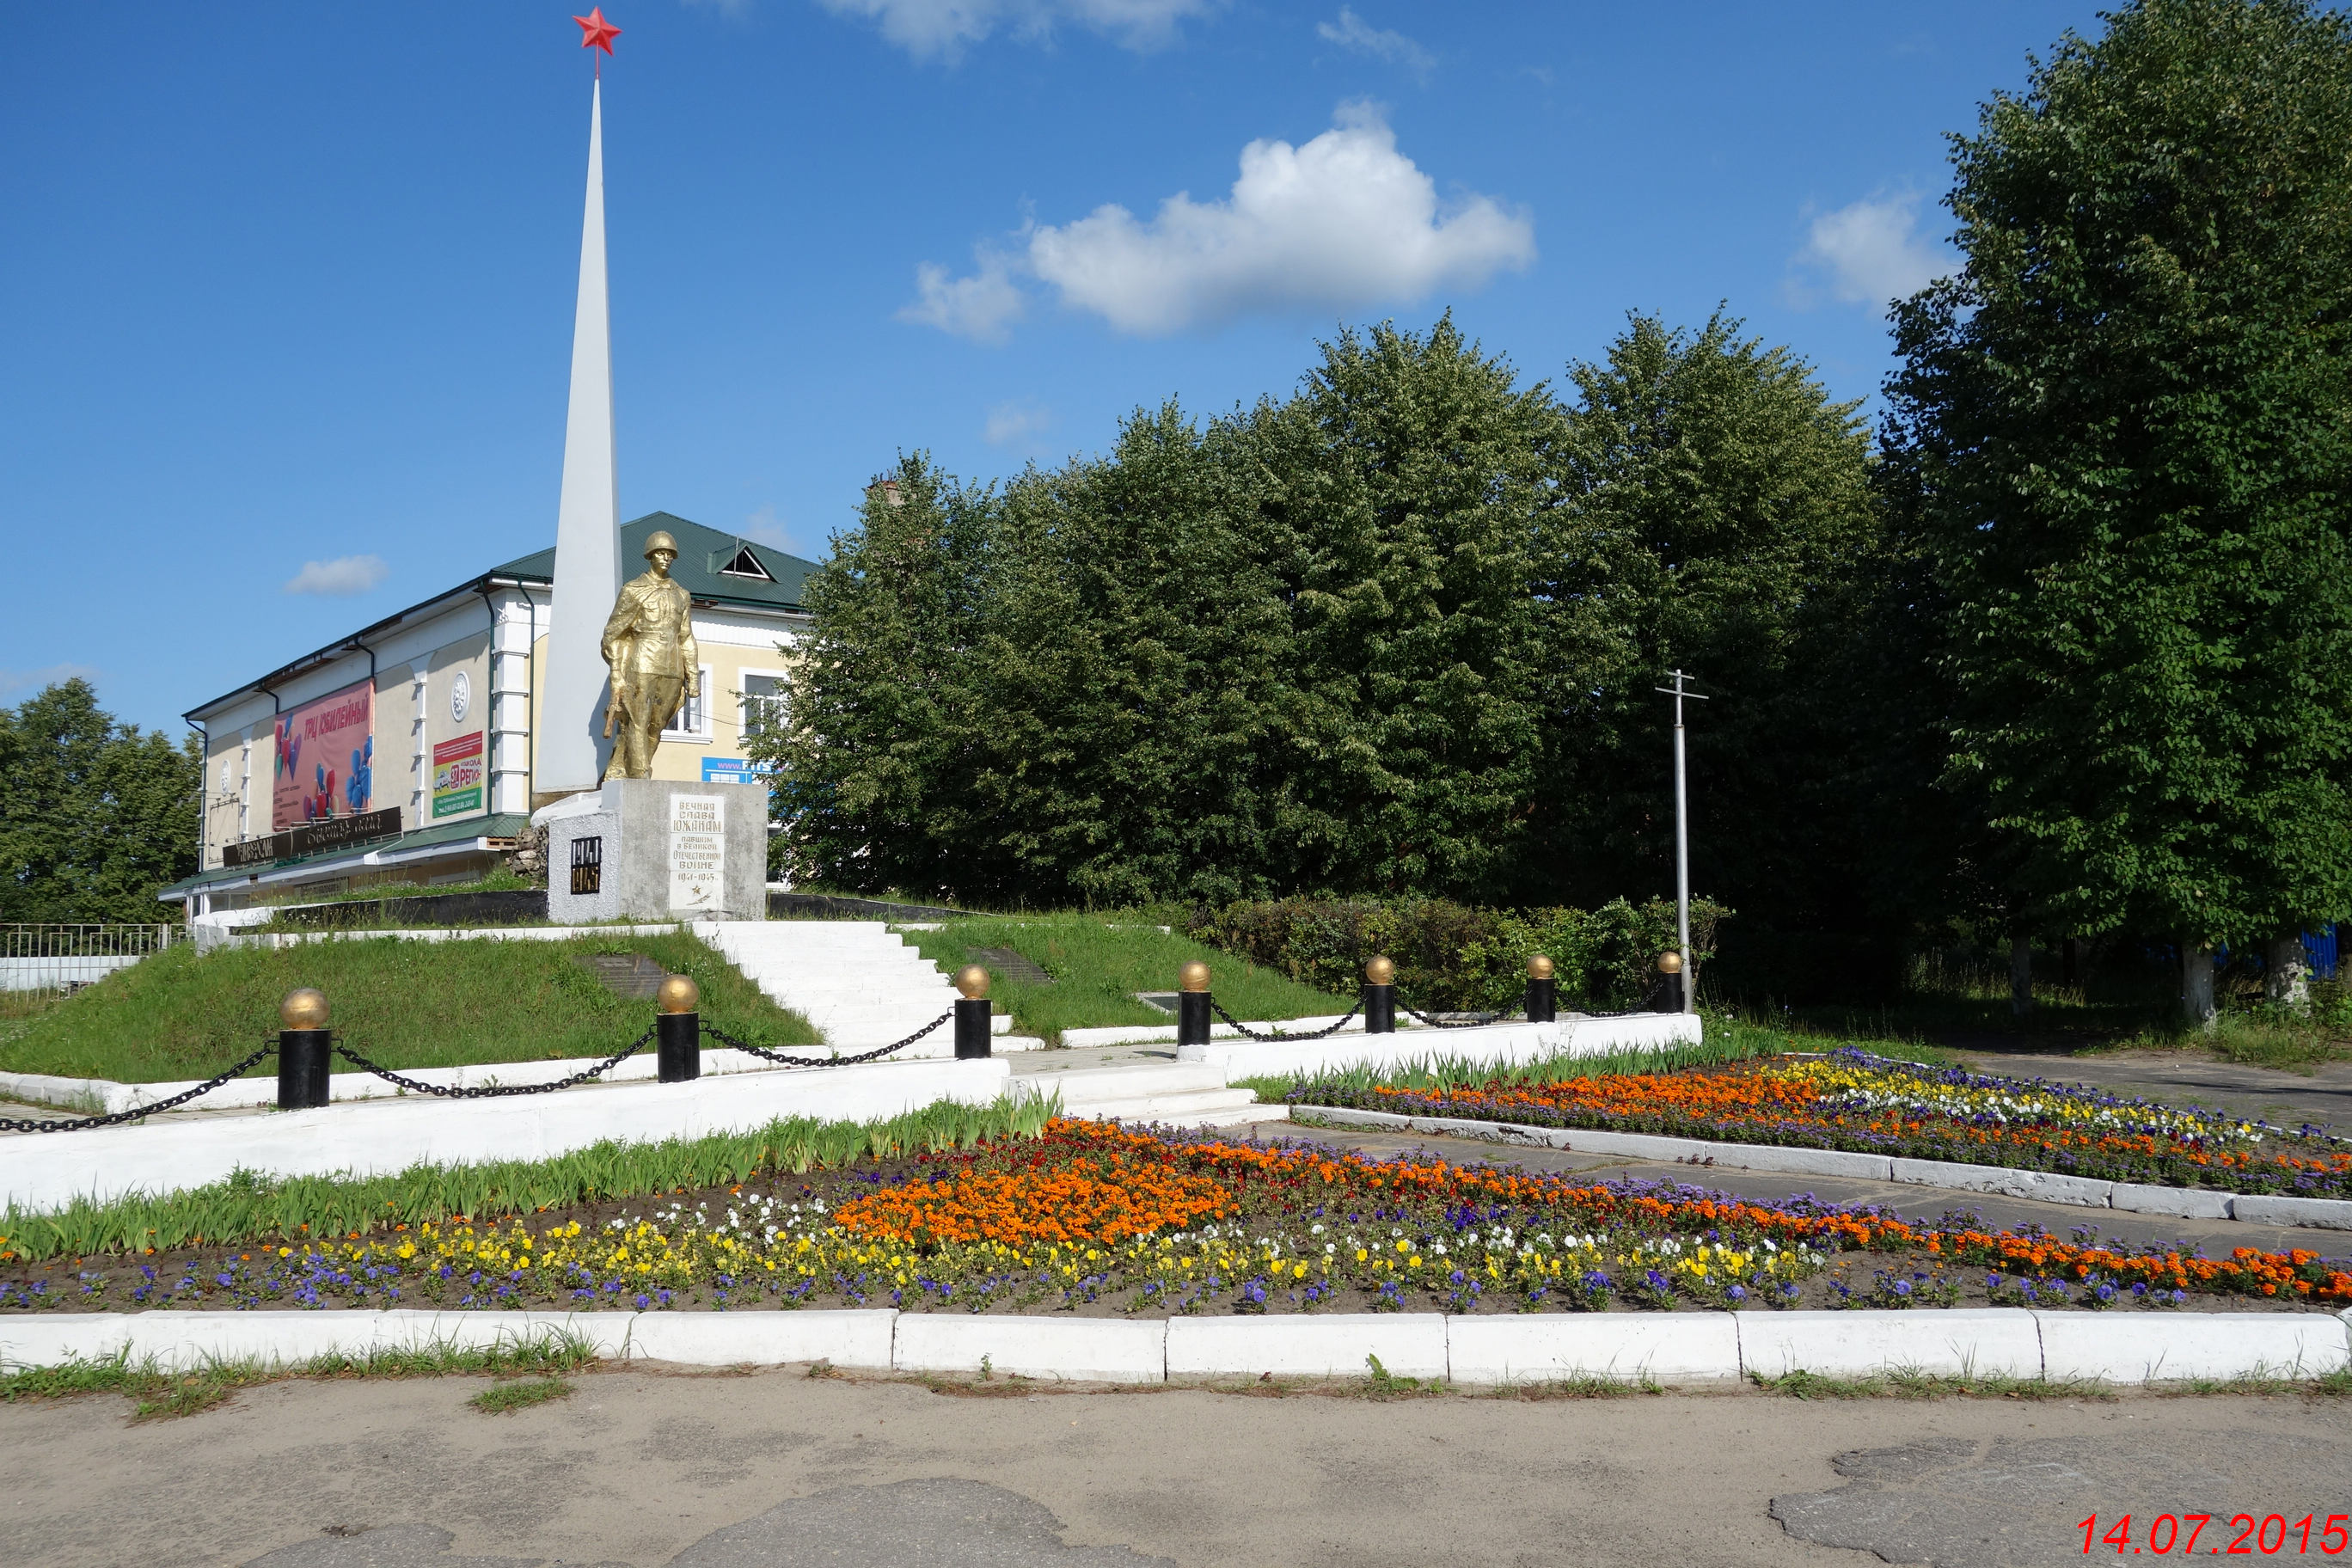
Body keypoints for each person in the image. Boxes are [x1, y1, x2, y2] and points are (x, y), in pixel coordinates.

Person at [599, 530, 698, 778]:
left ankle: (620, 769)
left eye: (670, 555)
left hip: (672, 666)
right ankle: (641, 775)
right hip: (642, 661)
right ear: (650, 556)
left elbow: (686, 636)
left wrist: (693, 676)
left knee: (657, 726)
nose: (666, 558)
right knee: (637, 722)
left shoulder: (681, 594)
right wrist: (617, 674)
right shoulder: (633, 590)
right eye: (661, 553)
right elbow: (613, 633)